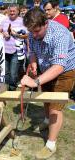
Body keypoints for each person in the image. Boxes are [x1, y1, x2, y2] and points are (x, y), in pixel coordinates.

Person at [21, 8, 75, 159]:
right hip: (46, 68)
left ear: (46, 23)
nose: (34, 35)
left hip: (65, 72)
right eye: (31, 31)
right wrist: (33, 62)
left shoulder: (60, 34)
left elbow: (58, 66)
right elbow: (32, 50)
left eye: (37, 31)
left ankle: (51, 144)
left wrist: (35, 81)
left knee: (55, 108)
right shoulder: (33, 32)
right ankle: (46, 121)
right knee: (45, 99)